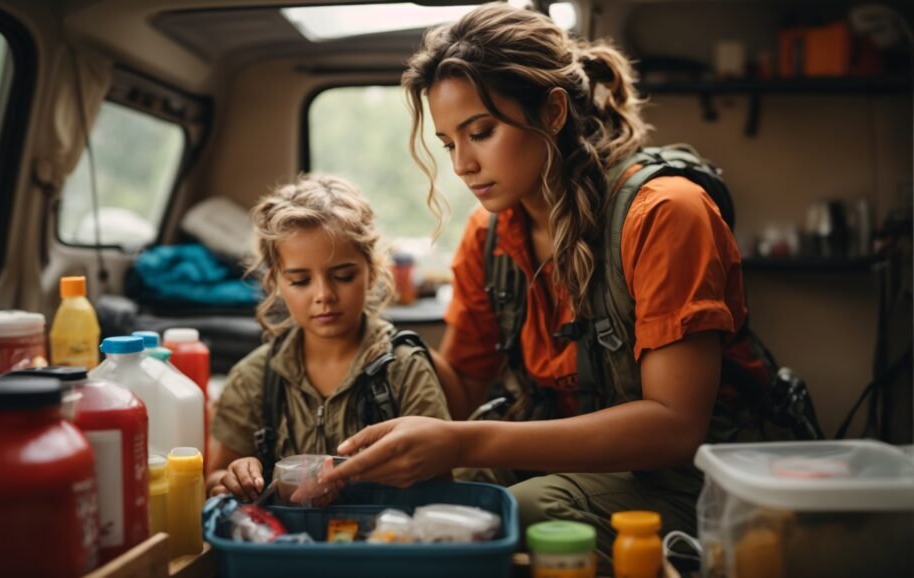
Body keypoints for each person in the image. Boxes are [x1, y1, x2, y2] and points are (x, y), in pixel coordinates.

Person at [321, 2, 798, 566]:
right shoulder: (489, 236)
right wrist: (364, 339)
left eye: (481, 132)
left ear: (550, 112)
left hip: (699, 477)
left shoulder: (665, 214)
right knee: (423, 501)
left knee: (517, 511)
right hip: (576, 463)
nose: (462, 165)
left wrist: (466, 439)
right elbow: (465, 388)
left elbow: (675, 426)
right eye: (449, 143)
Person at [206, 174, 450, 504]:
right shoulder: (253, 379)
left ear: (372, 272)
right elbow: (217, 478)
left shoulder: (404, 370)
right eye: (300, 280)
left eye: (343, 276)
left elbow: (441, 481)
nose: (324, 295)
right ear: (277, 283)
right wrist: (234, 477)